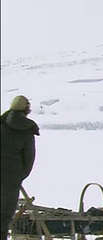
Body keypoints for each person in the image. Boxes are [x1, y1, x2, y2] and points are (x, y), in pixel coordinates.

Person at [1, 95, 40, 240]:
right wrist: (18, 176)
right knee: (4, 215)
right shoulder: (26, 129)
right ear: (26, 109)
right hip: (11, 179)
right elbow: (28, 159)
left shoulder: (2, 124)